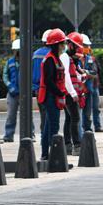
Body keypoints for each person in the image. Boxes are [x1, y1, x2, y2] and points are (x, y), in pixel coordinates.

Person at [37, 29, 67, 160]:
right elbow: (49, 81)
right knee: (54, 126)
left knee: (49, 126)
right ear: (56, 45)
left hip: (53, 95)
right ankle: (53, 156)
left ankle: (46, 154)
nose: (64, 46)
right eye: (62, 43)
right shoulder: (50, 60)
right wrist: (59, 92)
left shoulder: (56, 59)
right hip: (50, 96)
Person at [63, 32, 86, 155]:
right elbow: (66, 75)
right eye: (76, 46)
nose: (77, 49)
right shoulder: (65, 57)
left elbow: (74, 74)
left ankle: (68, 145)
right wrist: (73, 93)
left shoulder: (71, 59)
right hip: (69, 93)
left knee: (69, 118)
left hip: (70, 92)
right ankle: (77, 146)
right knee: (75, 118)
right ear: (70, 45)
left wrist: (81, 74)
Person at [31, 30, 52, 139]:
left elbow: (32, 73)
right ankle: (48, 137)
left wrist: (35, 88)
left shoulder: (35, 54)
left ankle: (44, 136)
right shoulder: (52, 54)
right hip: (50, 89)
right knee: (50, 114)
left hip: (38, 89)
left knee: (43, 114)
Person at [80, 34, 103, 133]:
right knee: (80, 112)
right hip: (80, 89)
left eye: (88, 46)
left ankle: (89, 129)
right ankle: (82, 130)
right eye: (85, 45)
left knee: (91, 110)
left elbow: (94, 71)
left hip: (90, 87)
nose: (87, 48)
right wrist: (86, 72)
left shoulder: (90, 58)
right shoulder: (75, 58)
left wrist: (85, 72)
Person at [2, 39, 21, 142]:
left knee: (26, 115)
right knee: (10, 116)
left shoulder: (27, 62)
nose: (17, 52)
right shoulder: (9, 62)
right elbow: (5, 75)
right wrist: (9, 85)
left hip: (24, 93)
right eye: (16, 50)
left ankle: (30, 135)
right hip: (12, 93)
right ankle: (9, 135)